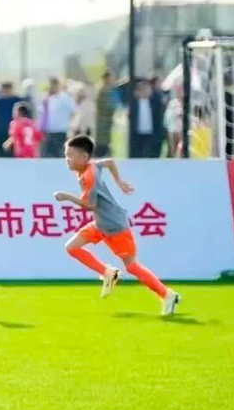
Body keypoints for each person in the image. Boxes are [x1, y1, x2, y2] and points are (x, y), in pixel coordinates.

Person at [55, 135, 179, 316]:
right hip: (101, 224)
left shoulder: (89, 176)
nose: (67, 159)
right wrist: (119, 182)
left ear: (84, 157)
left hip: (114, 226)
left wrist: (66, 196)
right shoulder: (91, 166)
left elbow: (90, 205)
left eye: (70, 155)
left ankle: (167, 295)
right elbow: (110, 162)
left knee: (132, 266)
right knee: (72, 247)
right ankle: (108, 273)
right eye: (66, 155)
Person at [39, 77, 76, 157]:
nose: (52, 87)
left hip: (60, 131)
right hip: (49, 131)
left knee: (60, 154)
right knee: (48, 155)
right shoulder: (48, 98)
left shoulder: (64, 97)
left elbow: (73, 109)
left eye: (54, 85)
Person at [129, 79, 164, 158]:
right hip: (138, 134)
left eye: (148, 89)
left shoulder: (155, 102)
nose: (146, 91)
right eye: (143, 89)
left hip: (151, 133)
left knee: (151, 154)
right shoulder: (134, 103)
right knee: (139, 155)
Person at [0, 82, 21, 158]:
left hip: (12, 130)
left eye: (8, 89)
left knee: (12, 152)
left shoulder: (16, 100)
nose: (6, 92)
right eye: (4, 89)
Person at [95, 71, 119, 157]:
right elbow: (108, 107)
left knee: (103, 143)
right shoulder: (106, 91)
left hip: (104, 123)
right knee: (102, 145)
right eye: (111, 78)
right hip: (104, 123)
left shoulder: (104, 90)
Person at [163, 84, 183, 158]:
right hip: (173, 130)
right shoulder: (172, 103)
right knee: (173, 151)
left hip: (183, 131)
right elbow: (168, 117)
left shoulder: (188, 103)